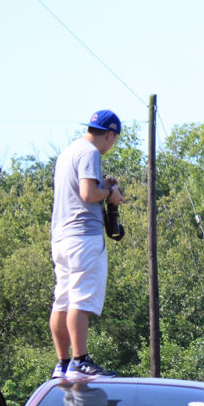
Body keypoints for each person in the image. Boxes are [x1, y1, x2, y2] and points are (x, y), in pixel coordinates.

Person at [49, 110, 125, 380]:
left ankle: (63, 364)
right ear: (110, 134)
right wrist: (111, 194)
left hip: (61, 237)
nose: (111, 145)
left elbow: (80, 191)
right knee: (79, 301)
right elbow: (88, 194)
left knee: (62, 300)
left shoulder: (67, 152)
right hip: (83, 237)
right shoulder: (91, 152)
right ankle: (81, 361)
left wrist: (102, 185)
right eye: (114, 139)